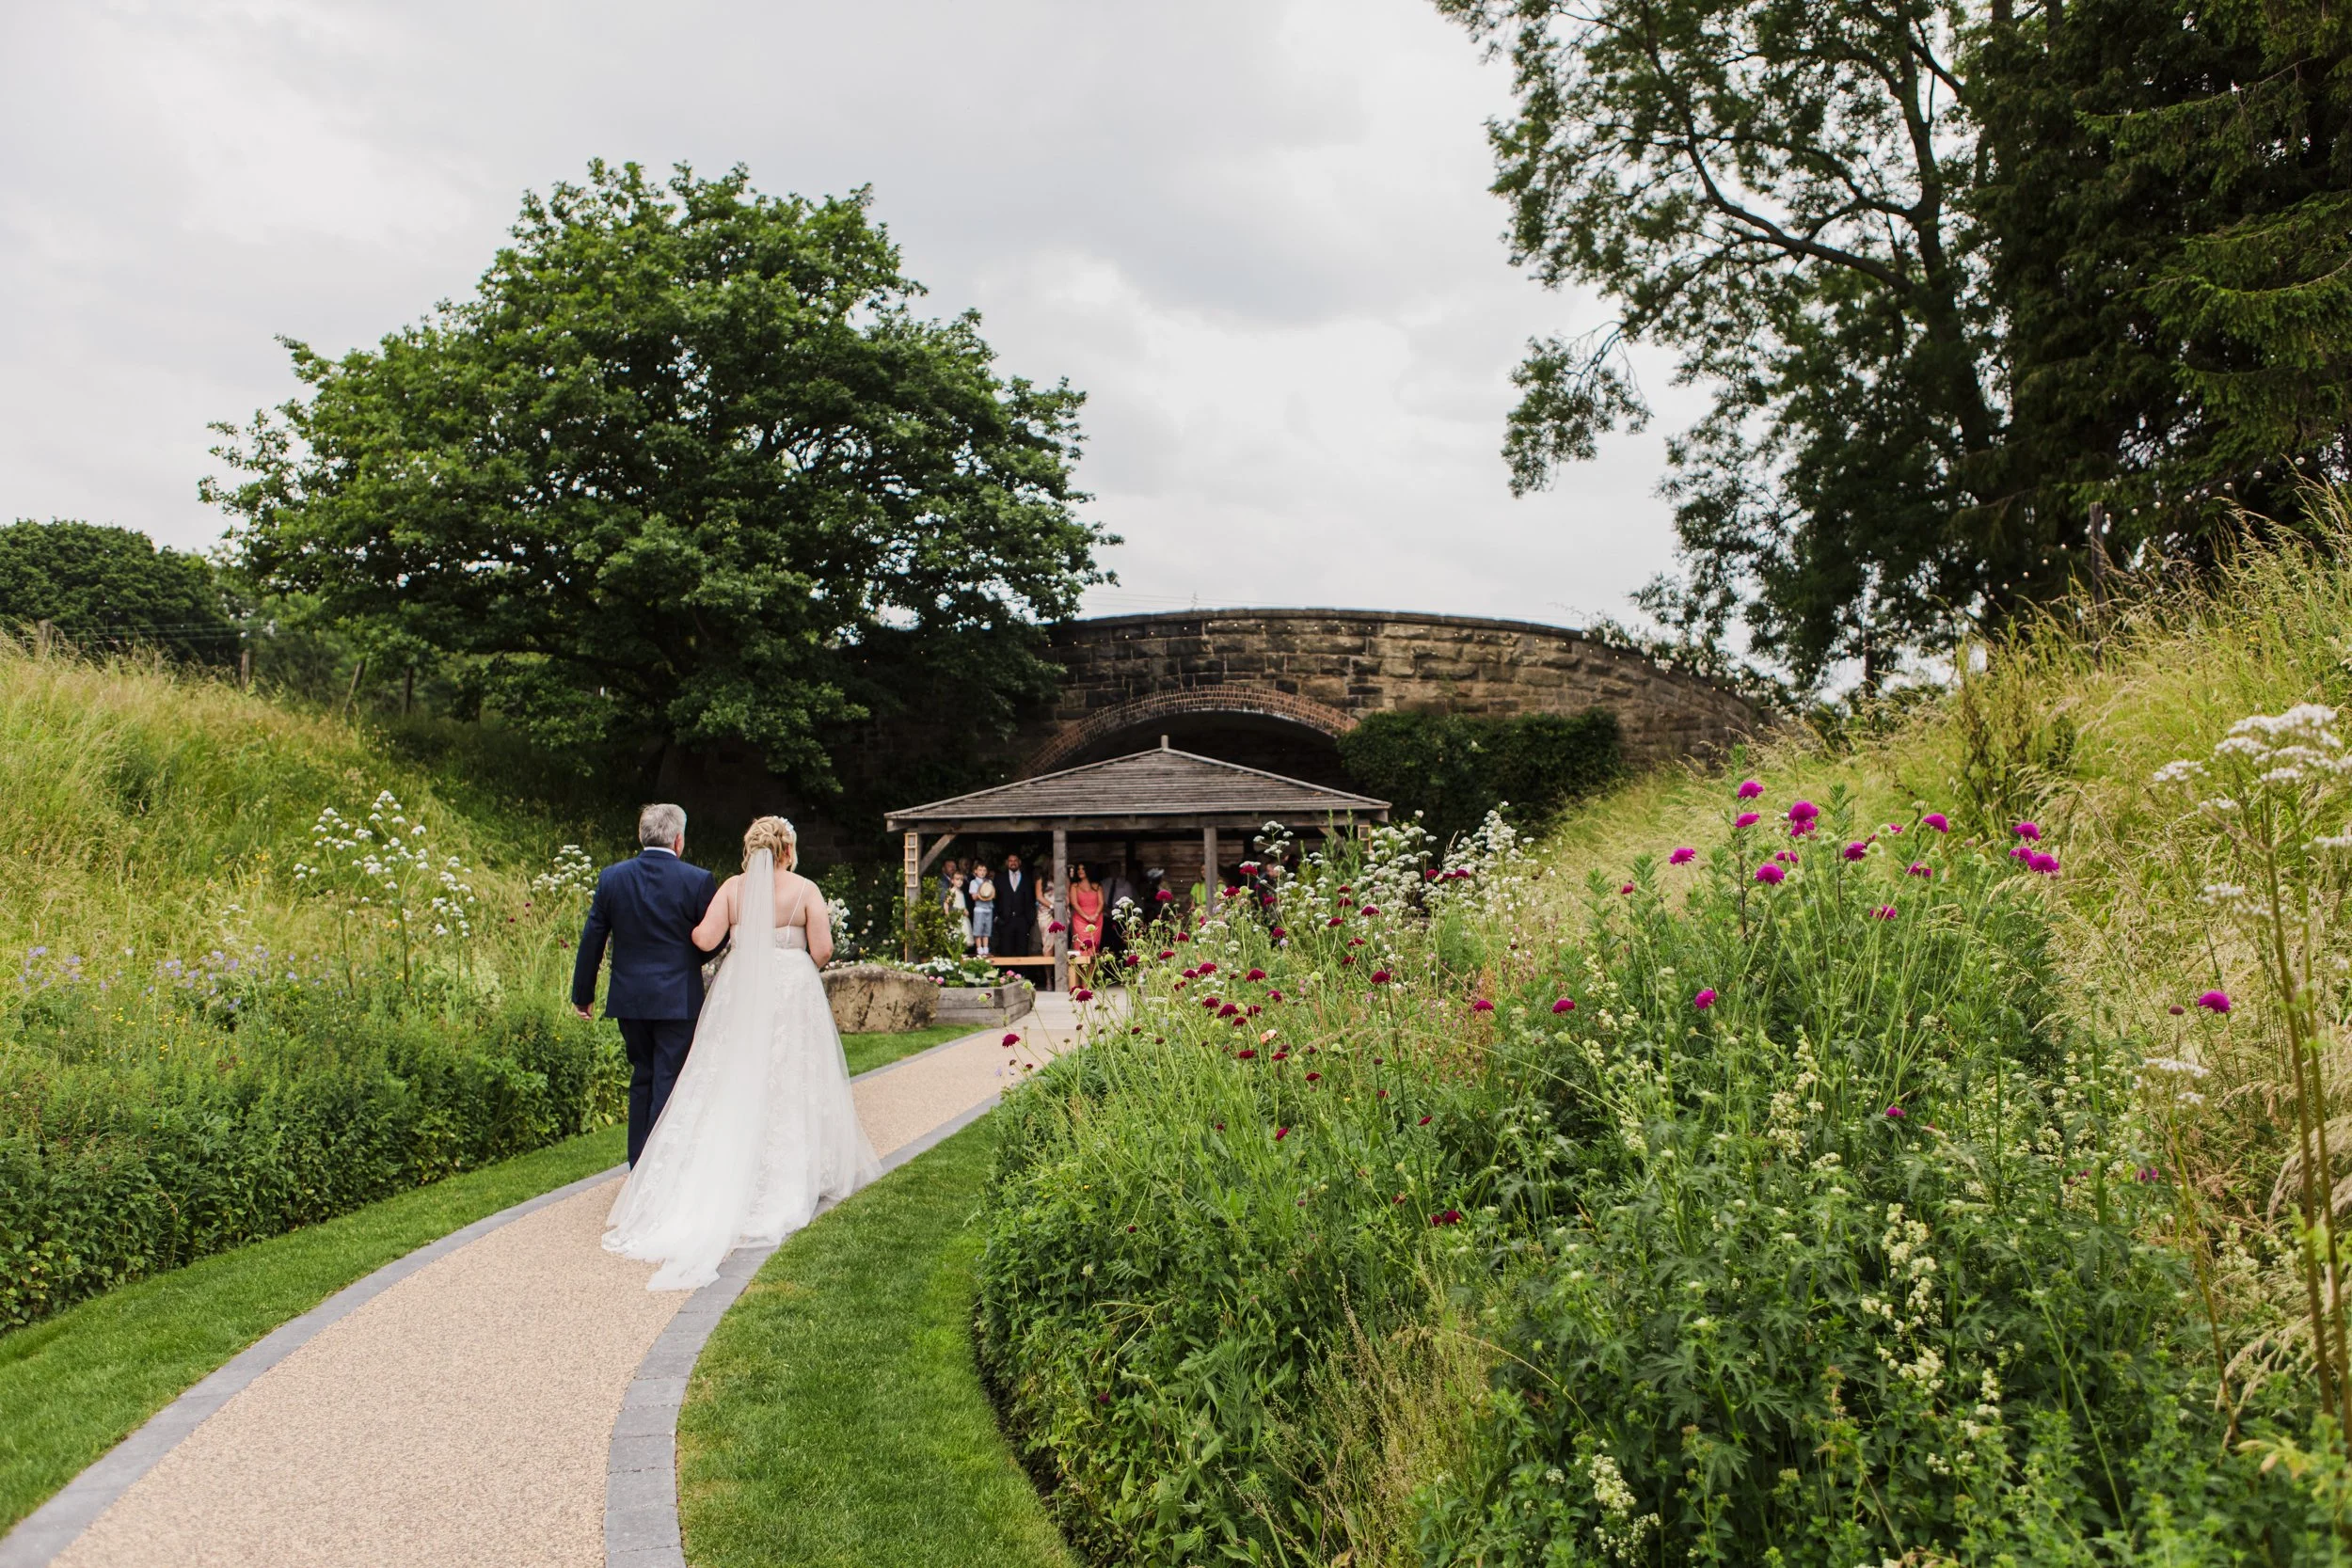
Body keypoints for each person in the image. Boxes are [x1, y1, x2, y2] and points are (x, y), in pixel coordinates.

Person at [603, 816, 880, 1290]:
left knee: (727, 1078)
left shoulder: (732, 888)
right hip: (791, 991)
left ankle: (717, 1170)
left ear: (751, 850)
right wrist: (791, 963)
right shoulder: (805, 890)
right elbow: (823, 949)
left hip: (741, 988)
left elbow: (704, 940)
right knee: (791, 1078)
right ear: (787, 849)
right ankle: (792, 1172)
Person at [573, 803, 722, 1168]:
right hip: (678, 999)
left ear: (642, 836)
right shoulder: (697, 880)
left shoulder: (612, 878)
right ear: (678, 840)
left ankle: (638, 1165)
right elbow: (714, 938)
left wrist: (583, 994)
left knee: (643, 1075)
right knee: (669, 1078)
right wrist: (689, 965)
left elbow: (592, 937)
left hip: (631, 999)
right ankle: (659, 1169)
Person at [994, 850, 1039, 958]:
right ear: (1006, 863)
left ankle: (1022, 975)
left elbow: (1033, 899)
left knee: (1022, 952)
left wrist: (1030, 919)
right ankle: (1006, 975)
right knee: (1006, 952)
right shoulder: (999, 878)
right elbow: (995, 899)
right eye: (1010, 861)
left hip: (1023, 921)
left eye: (1015, 860)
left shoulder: (1028, 878)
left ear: (1019, 862)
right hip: (1005, 921)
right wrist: (996, 918)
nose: (1013, 863)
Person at [1069, 863, 1105, 957]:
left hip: (1096, 919)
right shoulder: (1074, 886)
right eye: (1078, 869)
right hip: (1080, 919)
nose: (1080, 871)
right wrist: (1087, 917)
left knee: (1094, 948)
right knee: (1081, 946)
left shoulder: (1097, 886)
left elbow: (1101, 903)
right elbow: (1074, 904)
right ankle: (1080, 971)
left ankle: (1092, 970)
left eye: (1083, 869)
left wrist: (1095, 915)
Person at [968, 862, 996, 957]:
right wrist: (982, 893)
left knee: (987, 929)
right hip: (979, 909)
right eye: (980, 870)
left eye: (984, 870)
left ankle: (986, 947)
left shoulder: (989, 882)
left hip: (988, 909)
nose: (982, 872)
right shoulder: (973, 882)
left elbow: (992, 894)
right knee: (978, 929)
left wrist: (988, 894)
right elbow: (974, 897)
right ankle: (979, 948)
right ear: (975, 871)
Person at [942, 865, 972, 953]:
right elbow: (946, 903)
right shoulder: (952, 891)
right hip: (956, 917)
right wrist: (947, 915)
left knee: (963, 937)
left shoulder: (961, 892)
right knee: (957, 935)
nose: (959, 882)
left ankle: (961, 952)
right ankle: (958, 954)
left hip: (963, 917)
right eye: (957, 879)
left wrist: (965, 910)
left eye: (961, 880)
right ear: (952, 881)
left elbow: (962, 904)